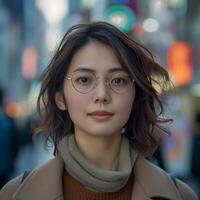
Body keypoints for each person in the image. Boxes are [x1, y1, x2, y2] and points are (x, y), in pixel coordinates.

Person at [0, 21, 198, 200]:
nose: (101, 95)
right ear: (60, 98)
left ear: (135, 95)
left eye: (118, 80)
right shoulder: (14, 194)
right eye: (84, 80)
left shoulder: (180, 195)